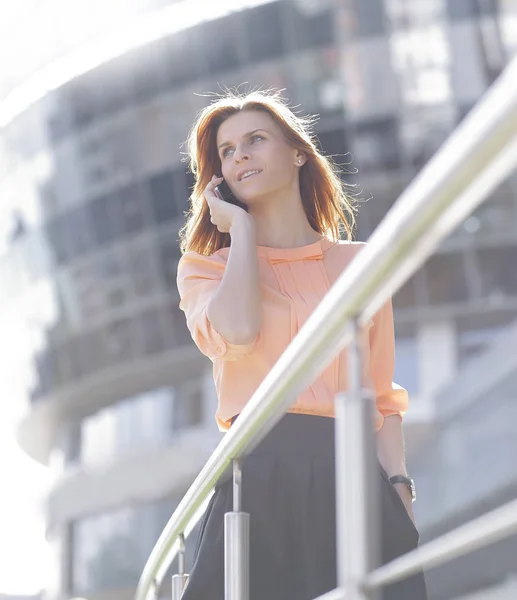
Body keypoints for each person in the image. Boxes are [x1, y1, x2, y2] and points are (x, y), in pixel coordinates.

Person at [176, 90, 428, 600]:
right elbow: (238, 332)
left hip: (352, 472)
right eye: (227, 151)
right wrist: (240, 231)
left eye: (256, 139)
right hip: (260, 475)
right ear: (219, 177)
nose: (240, 154)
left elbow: (380, 395)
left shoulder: (360, 264)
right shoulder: (206, 268)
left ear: (298, 153)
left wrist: (399, 487)